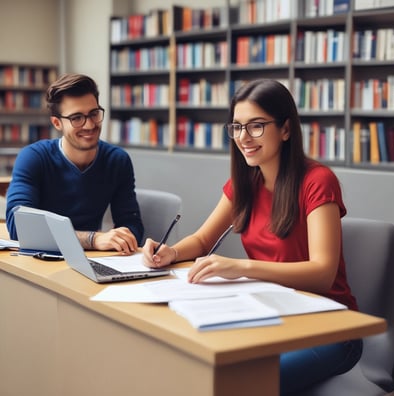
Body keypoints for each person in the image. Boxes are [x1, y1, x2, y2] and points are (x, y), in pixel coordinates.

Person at [142, 79, 362, 394]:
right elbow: (203, 240)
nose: (244, 138)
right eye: (237, 127)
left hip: (331, 327)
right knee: (191, 362)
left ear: (286, 129)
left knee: (242, 385)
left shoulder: (317, 181)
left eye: (256, 126)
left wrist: (242, 268)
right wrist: (171, 253)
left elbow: (322, 273)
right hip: (272, 313)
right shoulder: (245, 182)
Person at [6, 73, 143, 254]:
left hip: (93, 259)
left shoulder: (117, 160)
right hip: (41, 257)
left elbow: (132, 224)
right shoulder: (33, 157)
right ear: (57, 123)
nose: (89, 125)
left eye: (94, 114)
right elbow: (19, 227)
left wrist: (124, 237)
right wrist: (93, 239)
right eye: (76, 118)